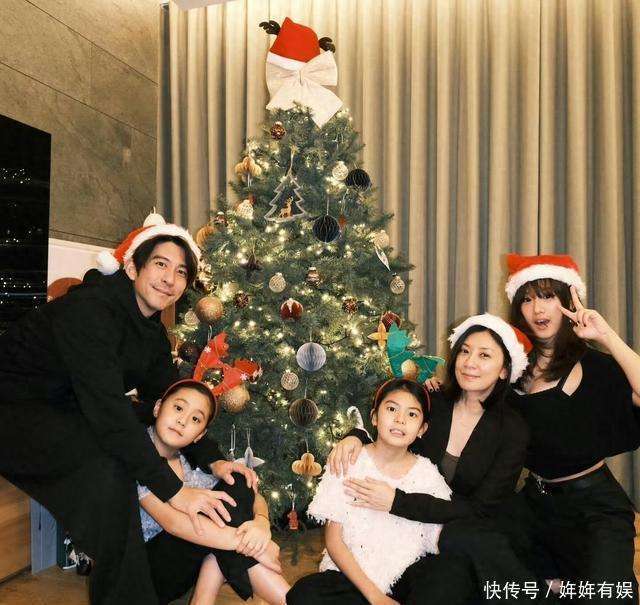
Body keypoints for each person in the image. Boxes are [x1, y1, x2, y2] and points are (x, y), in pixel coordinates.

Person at [0, 213, 256, 604]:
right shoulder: (89, 311)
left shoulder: (151, 332)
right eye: (160, 264)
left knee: (155, 436)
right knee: (113, 466)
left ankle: (154, 577)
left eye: (181, 272)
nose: (169, 279)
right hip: (15, 410)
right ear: (133, 266)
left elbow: (172, 398)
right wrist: (174, 492)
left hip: (72, 404)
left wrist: (214, 460)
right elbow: (108, 415)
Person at [327, 314, 533, 601]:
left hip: (467, 528)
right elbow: (391, 418)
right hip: (410, 524)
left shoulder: (512, 429)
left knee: (460, 548)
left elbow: (481, 509)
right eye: (465, 351)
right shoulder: (434, 402)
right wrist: (356, 436)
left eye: (484, 355)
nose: (469, 362)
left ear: (504, 370)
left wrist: (397, 501)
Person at [494, 253, 640, 602]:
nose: (537, 309)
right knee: (485, 569)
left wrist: (606, 335)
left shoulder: (593, 364)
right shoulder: (512, 368)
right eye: (527, 299)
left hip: (594, 508)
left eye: (547, 296)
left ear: (567, 301)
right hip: (534, 506)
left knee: (606, 595)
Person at [287, 378, 455, 605]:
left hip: (403, 579)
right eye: (392, 409)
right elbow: (334, 541)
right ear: (374, 417)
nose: (400, 419)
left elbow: (438, 540)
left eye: (412, 414)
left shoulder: (428, 475)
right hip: (351, 577)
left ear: (422, 429)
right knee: (305, 594)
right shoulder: (349, 461)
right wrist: (375, 596)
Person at [139, 378, 290, 605]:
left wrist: (261, 523)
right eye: (178, 408)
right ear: (158, 407)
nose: (182, 421)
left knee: (237, 479)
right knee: (210, 517)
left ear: (200, 434)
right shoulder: (137, 454)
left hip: (189, 563)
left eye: (195, 419)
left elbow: (252, 495)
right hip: (147, 574)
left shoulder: (195, 460)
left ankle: (203, 598)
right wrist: (253, 547)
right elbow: (173, 523)